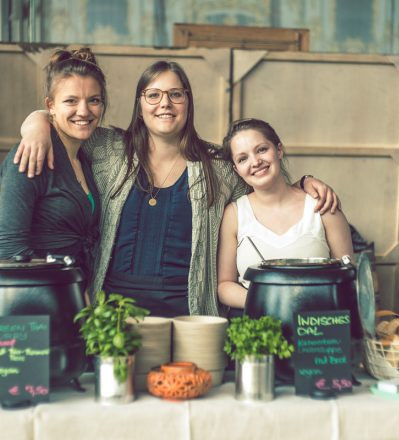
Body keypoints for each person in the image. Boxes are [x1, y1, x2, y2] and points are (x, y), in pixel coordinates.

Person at [14, 61, 340, 318]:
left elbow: (263, 181)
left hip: (191, 314)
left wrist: (303, 183)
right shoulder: (110, 150)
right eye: (153, 94)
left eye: (176, 94)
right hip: (116, 314)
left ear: (188, 101)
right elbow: (67, 118)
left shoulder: (219, 167)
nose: (164, 104)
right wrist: (36, 127)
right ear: (140, 104)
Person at [217, 118, 354, 309]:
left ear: (279, 150)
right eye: (242, 158)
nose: (255, 162)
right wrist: (270, 303)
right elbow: (224, 285)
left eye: (262, 149)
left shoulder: (323, 207)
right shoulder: (234, 214)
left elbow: (350, 281)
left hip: (315, 326)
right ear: (236, 169)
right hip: (259, 326)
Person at [0, 48, 106, 286]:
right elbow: (7, 247)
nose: (84, 111)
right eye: (71, 100)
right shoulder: (30, 154)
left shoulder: (86, 158)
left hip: (76, 296)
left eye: (94, 100)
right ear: (51, 105)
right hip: (37, 301)